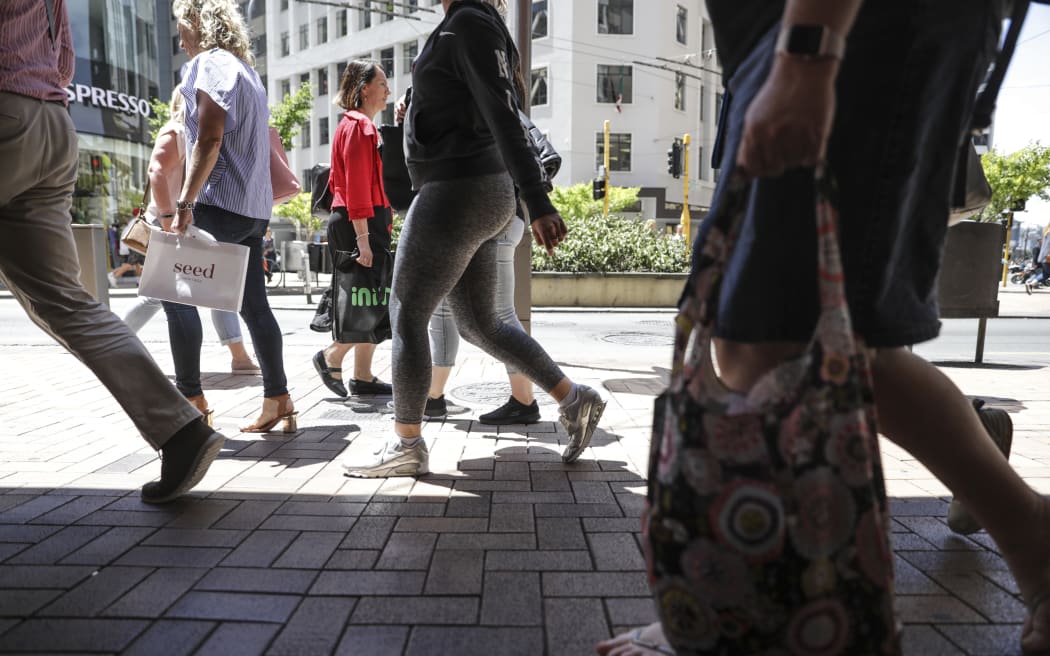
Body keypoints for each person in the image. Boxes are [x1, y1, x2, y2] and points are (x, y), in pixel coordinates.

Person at [602, 1, 1050, 654]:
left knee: (776, 339)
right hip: (801, 38)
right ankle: (1028, 531)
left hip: (844, 30)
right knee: (805, 344)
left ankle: (747, 611)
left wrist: (809, 53)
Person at [342, 0, 606, 479]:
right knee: (481, 323)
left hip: (458, 189)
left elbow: (502, 113)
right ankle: (574, 399)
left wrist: (538, 200)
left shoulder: (466, 23)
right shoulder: (469, 23)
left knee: (407, 312)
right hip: (476, 189)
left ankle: (407, 442)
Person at [0, 0, 224, 504]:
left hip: (7, 112)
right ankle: (181, 431)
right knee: (68, 302)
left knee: (65, 302)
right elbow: (63, 63)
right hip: (53, 126)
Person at [167, 0, 294, 433]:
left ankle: (191, 400)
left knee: (174, 293)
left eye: (181, 28)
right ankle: (278, 397)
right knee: (255, 306)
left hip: (218, 204)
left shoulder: (210, 64)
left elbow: (210, 136)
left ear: (197, 23)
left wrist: (185, 203)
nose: (180, 40)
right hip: (252, 209)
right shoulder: (247, 73)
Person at [122, 87, 260, 379]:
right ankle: (111, 345)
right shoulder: (175, 131)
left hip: (188, 222)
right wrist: (167, 216)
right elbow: (156, 171)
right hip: (172, 221)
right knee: (163, 292)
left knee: (217, 285)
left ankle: (239, 357)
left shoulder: (197, 135)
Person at [311, 59, 394, 400]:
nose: (388, 90)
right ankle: (332, 356)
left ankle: (362, 376)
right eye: (382, 84)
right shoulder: (360, 127)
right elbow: (357, 187)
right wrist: (363, 239)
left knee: (371, 296)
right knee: (366, 297)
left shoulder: (355, 125)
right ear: (364, 89)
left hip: (359, 220)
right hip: (360, 222)